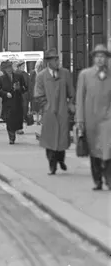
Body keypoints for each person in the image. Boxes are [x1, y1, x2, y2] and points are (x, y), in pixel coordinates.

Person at [33, 48, 75, 175]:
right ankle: (52, 165)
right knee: (50, 141)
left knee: (62, 140)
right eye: (55, 60)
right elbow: (38, 94)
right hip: (49, 113)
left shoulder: (65, 73)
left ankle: (60, 160)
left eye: (58, 59)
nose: (58, 62)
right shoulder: (41, 76)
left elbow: (71, 93)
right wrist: (46, 106)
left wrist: (69, 105)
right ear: (48, 62)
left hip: (62, 112)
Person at [76, 44, 111, 191]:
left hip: (107, 119)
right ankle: (97, 180)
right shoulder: (85, 75)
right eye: (97, 56)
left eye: (103, 56)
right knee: (94, 152)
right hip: (90, 119)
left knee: (108, 150)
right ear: (93, 59)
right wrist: (80, 120)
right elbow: (79, 98)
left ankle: (108, 179)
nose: (100, 59)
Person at [0, 60, 27, 144]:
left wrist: (19, 88)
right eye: (7, 68)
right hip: (7, 103)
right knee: (9, 121)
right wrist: (5, 94)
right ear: (4, 69)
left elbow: (25, 88)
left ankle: (14, 132)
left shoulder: (19, 76)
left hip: (17, 102)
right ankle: (11, 137)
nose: (9, 69)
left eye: (10, 67)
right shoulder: (1, 79)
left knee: (16, 120)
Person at [15, 61, 31, 135]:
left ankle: (19, 127)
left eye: (24, 66)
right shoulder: (15, 74)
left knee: (24, 111)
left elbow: (29, 85)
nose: (23, 67)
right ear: (19, 66)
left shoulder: (26, 74)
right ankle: (18, 128)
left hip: (25, 96)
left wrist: (29, 96)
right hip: (18, 95)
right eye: (22, 66)